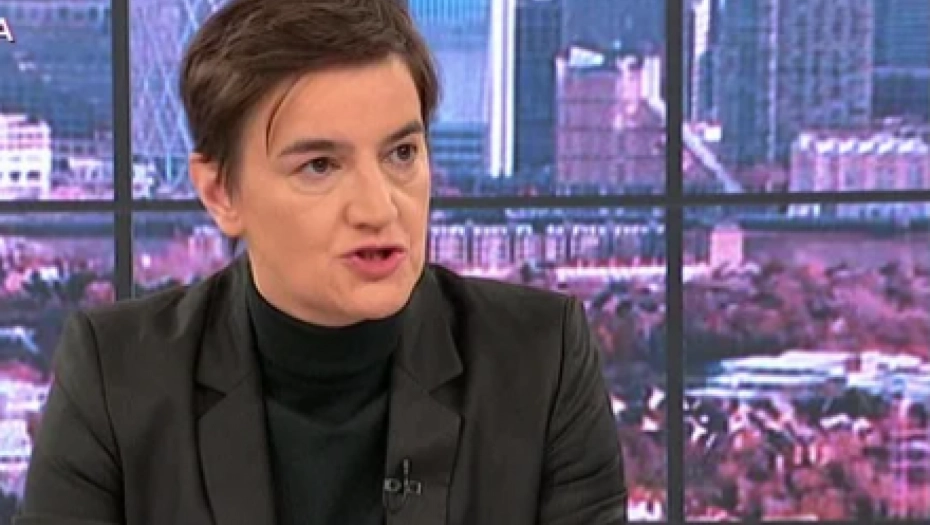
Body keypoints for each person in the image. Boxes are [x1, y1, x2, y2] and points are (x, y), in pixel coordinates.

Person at [16, 0, 627, 524]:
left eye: (402, 153)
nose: (378, 208)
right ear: (222, 192)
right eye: (319, 166)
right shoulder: (117, 378)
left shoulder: (540, 361)